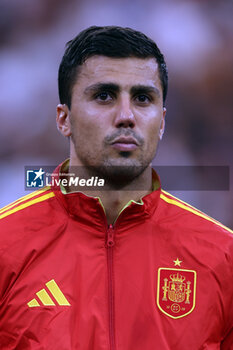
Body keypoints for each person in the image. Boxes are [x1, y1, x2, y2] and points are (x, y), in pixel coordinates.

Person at [0, 26, 232, 350]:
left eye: (142, 98)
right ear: (63, 119)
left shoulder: (223, 256)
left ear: (162, 121)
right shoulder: (6, 245)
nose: (126, 116)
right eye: (104, 96)